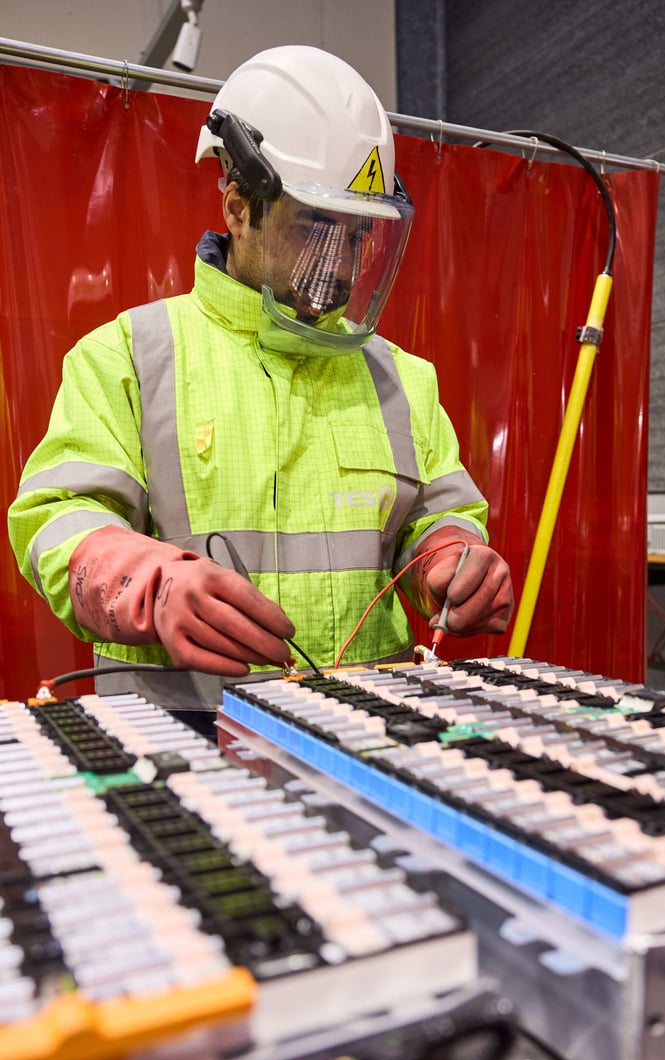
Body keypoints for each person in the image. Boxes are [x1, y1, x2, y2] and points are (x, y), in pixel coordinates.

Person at [8, 45, 513, 723]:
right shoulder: (129, 356)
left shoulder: (403, 379)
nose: (341, 264)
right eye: (314, 227)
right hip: (183, 741)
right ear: (239, 206)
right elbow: (57, 519)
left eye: (359, 234)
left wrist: (451, 561)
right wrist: (147, 585)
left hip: (368, 734)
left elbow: (437, 516)